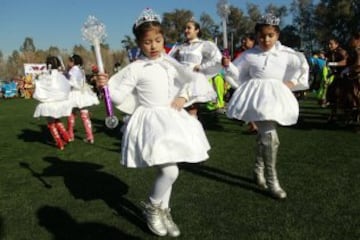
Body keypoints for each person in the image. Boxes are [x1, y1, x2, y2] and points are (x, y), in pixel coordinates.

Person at [95, 8, 210, 237]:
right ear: (139, 43)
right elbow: (118, 97)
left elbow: (189, 82)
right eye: (147, 42)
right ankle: (152, 207)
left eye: (158, 40)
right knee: (170, 172)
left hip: (172, 119)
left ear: (163, 39)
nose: (154, 46)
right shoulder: (136, 68)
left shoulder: (170, 63)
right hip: (151, 123)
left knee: (170, 167)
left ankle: (164, 211)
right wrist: (104, 86)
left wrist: (183, 97)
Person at [222, 13, 309, 199]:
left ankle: (258, 170)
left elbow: (301, 66)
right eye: (262, 36)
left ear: (277, 35)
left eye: (270, 35)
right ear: (256, 36)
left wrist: (292, 83)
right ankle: (272, 180)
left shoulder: (286, 53)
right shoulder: (249, 55)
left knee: (265, 135)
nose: (266, 39)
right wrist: (228, 66)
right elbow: (237, 72)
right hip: (257, 98)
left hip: (277, 97)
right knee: (271, 137)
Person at [170, 18, 222, 117]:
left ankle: (193, 130)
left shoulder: (203, 45)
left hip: (193, 78)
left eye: (189, 28)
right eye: (185, 28)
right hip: (179, 78)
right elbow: (170, 59)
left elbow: (217, 58)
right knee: (176, 109)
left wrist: (202, 66)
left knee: (192, 109)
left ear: (197, 30)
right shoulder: (180, 46)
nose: (186, 30)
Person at [33, 56, 72, 150]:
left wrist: (37, 80)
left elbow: (40, 90)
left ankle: (59, 142)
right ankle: (66, 136)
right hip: (59, 103)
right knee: (57, 119)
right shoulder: (61, 76)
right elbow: (66, 88)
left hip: (48, 104)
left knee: (51, 123)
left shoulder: (45, 76)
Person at [66, 54, 99, 143]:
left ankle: (70, 135)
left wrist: (66, 81)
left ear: (73, 61)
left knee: (71, 114)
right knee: (85, 116)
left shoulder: (72, 70)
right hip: (82, 94)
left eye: (70, 61)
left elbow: (72, 82)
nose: (68, 63)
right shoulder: (81, 70)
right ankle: (90, 137)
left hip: (74, 94)